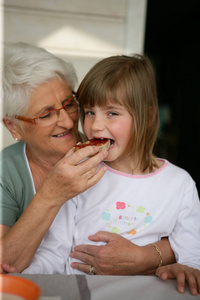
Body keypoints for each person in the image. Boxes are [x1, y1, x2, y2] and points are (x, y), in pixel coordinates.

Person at [22, 54, 200, 295]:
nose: (95, 126)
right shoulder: (79, 176)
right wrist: (18, 274)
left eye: (112, 113)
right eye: (89, 112)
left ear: (146, 118)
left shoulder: (180, 184)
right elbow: (54, 252)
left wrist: (187, 268)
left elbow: (191, 254)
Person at [0, 42, 174, 276]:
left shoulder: (109, 150)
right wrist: (52, 193)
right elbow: (5, 263)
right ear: (14, 126)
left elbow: (165, 218)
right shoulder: (5, 171)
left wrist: (146, 256)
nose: (69, 122)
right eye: (46, 114)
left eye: (69, 103)